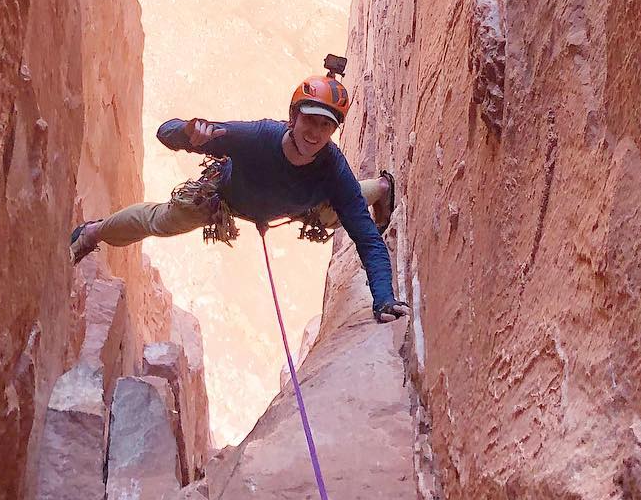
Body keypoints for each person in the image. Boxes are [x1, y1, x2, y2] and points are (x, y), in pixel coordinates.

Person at [69, 61, 410, 323]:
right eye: (310, 120)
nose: (315, 133)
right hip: (226, 198)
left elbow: (366, 237)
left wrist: (383, 299)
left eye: (326, 125)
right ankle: (93, 232)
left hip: (299, 204)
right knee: (163, 221)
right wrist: (188, 133)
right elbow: (165, 132)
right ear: (293, 117)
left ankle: (381, 188)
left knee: (341, 212)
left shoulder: (333, 169)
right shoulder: (256, 138)